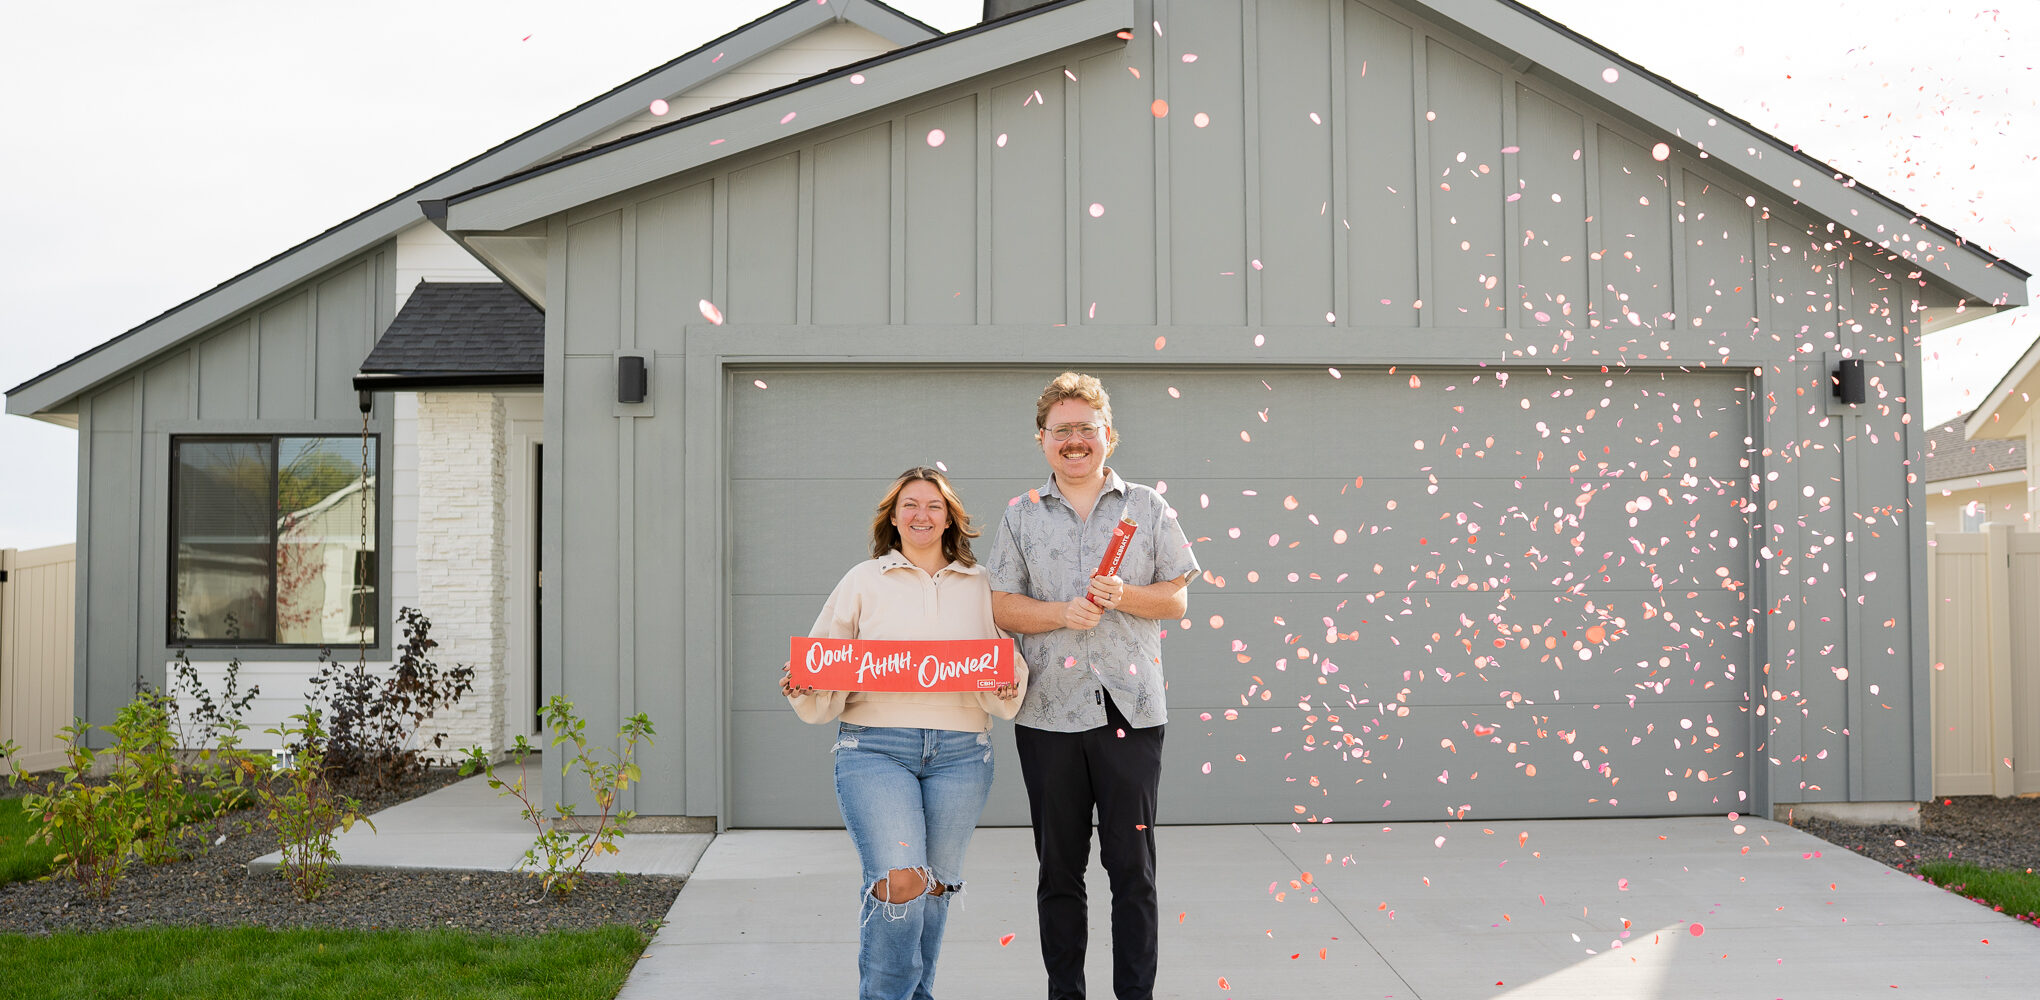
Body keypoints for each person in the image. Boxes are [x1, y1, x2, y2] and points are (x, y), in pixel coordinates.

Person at [988, 372, 1199, 1000]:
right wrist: (1060, 613)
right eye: (1062, 431)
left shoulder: (1148, 508)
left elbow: (1178, 599)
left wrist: (1126, 596)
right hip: (1048, 716)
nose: (1074, 440)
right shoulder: (1020, 516)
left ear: (1109, 435)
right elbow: (1001, 606)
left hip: (1131, 714)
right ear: (1042, 440)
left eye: (1087, 429)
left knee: (1132, 871)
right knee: (1059, 872)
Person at [783, 466, 1027, 1000]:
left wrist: (1008, 684)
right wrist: (804, 681)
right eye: (910, 505)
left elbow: (1006, 664)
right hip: (874, 749)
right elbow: (824, 664)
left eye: (934, 506)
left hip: (962, 753)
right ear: (893, 517)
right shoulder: (863, 580)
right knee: (901, 883)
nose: (922, 515)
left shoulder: (984, 584)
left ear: (949, 518)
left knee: (932, 889)